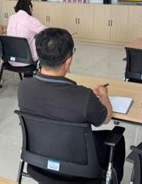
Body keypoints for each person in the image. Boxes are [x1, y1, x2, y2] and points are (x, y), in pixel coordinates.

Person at [18, 28, 125, 182]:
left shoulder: (24, 87)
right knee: (117, 140)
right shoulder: (84, 96)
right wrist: (104, 96)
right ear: (68, 61)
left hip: (38, 163)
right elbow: (106, 118)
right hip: (81, 172)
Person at [7, 0, 46, 67]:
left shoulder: (11, 18)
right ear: (30, 7)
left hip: (11, 60)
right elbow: (47, 32)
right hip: (27, 60)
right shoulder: (30, 19)